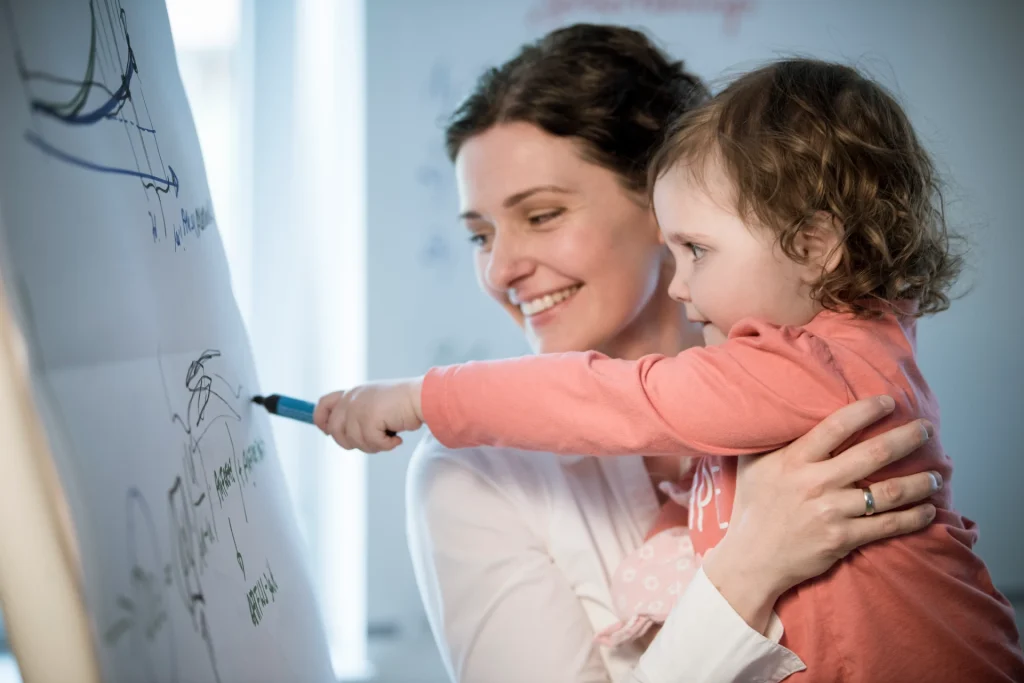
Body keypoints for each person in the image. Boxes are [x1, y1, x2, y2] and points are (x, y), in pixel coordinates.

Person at [321, 53, 1024, 680]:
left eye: (541, 215)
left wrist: (423, 394)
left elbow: (606, 399)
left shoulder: (802, 368)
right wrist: (753, 560)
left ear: (655, 203)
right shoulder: (467, 475)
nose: (501, 269)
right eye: (479, 234)